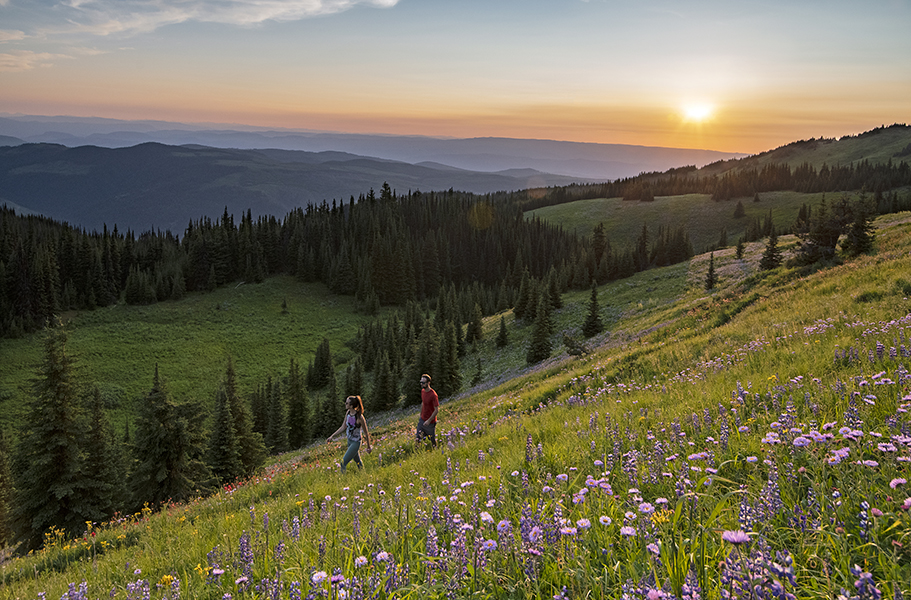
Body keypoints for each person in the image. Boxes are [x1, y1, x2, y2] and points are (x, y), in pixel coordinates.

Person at [327, 395, 372, 472]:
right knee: (357, 460)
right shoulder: (348, 413)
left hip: (356, 442)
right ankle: (363, 474)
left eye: (347, 403)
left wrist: (368, 446)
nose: (345, 404)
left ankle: (343, 481)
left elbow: (366, 433)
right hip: (349, 441)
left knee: (343, 462)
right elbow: (343, 427)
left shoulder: (359, 417)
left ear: (351, 406)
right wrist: (332, 436)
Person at [416, 373, 439, 448]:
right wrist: (421, 415)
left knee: (432, 440)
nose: (421, 384)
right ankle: (417, 453)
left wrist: (429, 421)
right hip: (422, 420)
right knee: (418, 439)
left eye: (423, 383)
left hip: (430, 423)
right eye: (420, 382)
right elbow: (423, 402)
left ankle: (436, 451)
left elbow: (436, 410)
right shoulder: (422, 391)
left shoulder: (433, 395)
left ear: (428, 383)